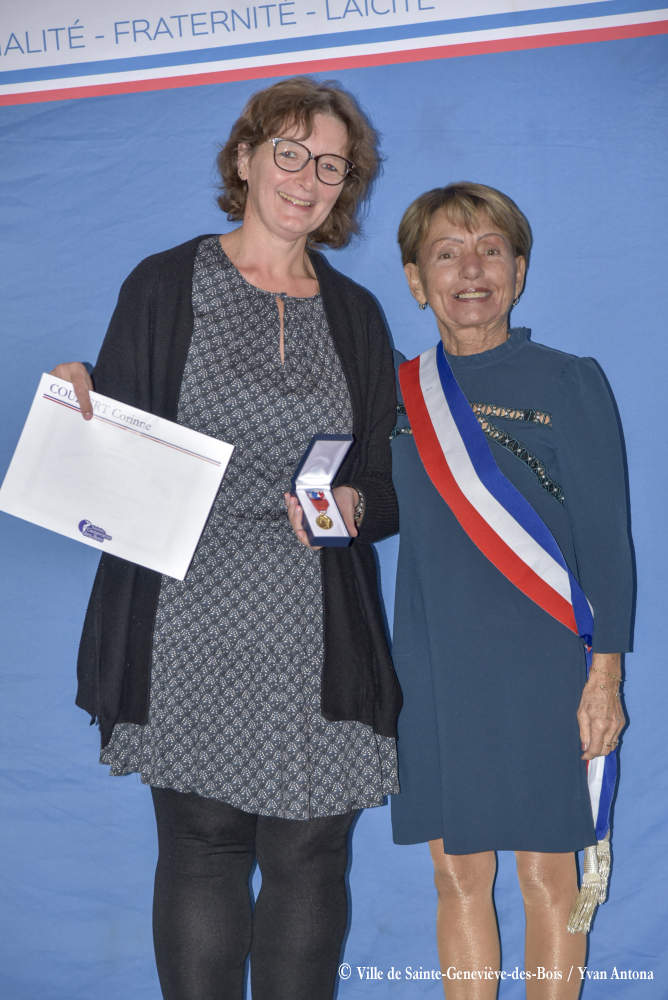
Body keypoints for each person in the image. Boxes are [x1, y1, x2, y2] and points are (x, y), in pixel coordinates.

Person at [51, 76, 402, 1000]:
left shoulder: (356, 313)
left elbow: (385, 478)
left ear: (345, 187)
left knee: (313, 853)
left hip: (317, 623)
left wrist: (356, 507)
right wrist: (79, 402)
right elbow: (116, 443)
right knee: (203, 846)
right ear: (245, 159)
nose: (307, 178)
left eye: (331, 165)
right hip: (187, 611)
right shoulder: (166, 284)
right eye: (289, 153)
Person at [389, 183, 633, 998]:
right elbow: (364, 507)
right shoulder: (398, 394)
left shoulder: (568, 381)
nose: (471, 269)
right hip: (432, 665)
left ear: (519, 272)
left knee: (547, 879)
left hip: (544, 668)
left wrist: (606, 677)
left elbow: (607, 541)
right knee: (456, 874)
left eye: (490, 250)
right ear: (417, 280)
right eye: (447, 253)